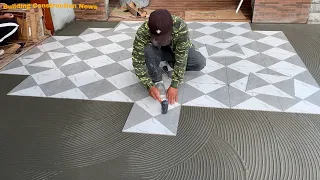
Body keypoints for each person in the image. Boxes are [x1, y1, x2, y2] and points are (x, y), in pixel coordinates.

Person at [132, 9, 206, 105]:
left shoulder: (180, 25)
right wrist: (149, 85)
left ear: (171, 27)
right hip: (157, 51)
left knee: (199, 62)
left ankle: (171, 63)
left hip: (175, 50)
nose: (161, 40)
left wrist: (174, 85)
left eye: (164, 37)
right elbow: (137, 61)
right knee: (147, 50)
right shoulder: (143, 31)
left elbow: (182, 57)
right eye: (157, 38)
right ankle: (157, 80)